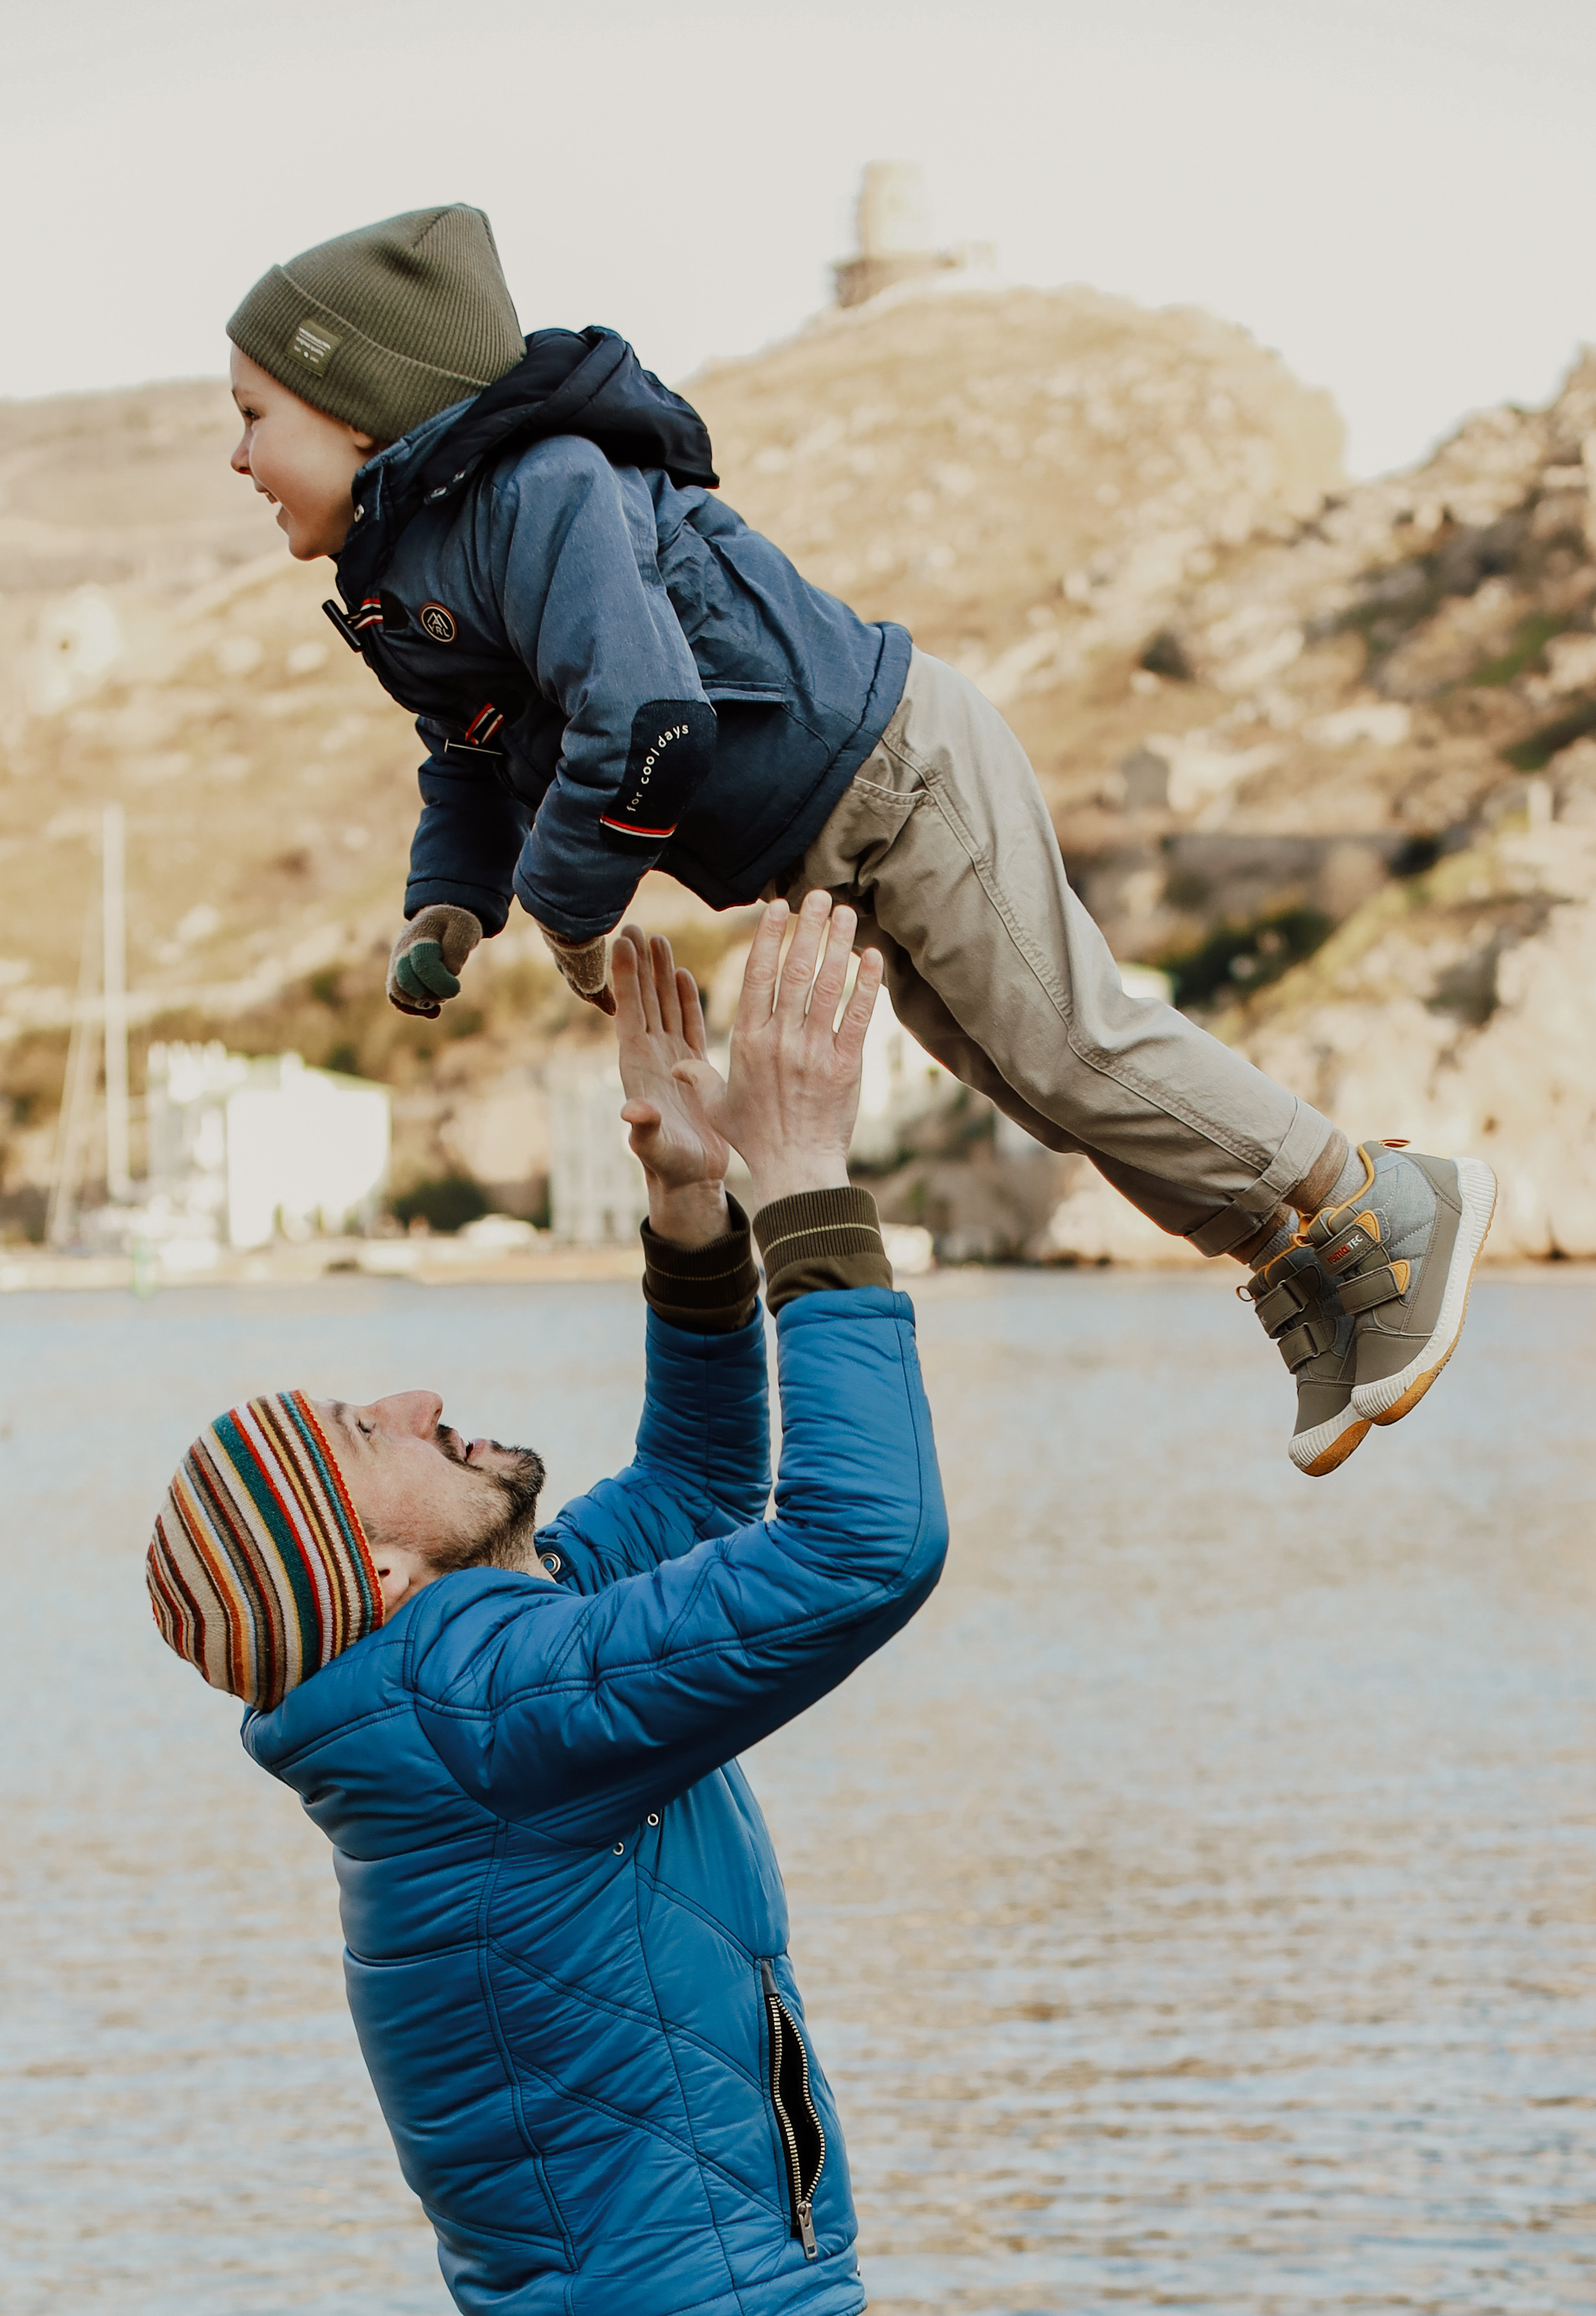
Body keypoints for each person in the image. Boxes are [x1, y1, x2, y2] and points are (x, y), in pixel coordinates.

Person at [222, 206, 1496, 1474]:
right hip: (830, 840)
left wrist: (566, 898)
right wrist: (449, 903)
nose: (238, 459)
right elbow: (470, 755)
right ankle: (1308, 1264)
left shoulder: (540, 492)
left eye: (251, 417)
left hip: (898, 767)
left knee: (1071, 1046)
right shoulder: (399, 584)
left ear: (357, 407)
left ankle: (1375, 1200)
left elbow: (650, 716)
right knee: (1029, 1085)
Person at [146, 893, 945, 2316]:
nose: (421, 1399)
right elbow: (859, 1544)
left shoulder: (470, 1676)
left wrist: (692, 1205)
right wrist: (813, 1173)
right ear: (374, 1572)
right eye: (365, 1431)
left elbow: (698, 1490)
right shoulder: (488, 1708)